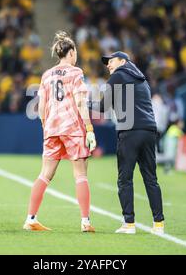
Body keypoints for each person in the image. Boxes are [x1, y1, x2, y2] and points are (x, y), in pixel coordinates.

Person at [23, 31, 97, 232]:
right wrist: (89, 129)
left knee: (45, 174)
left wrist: (46, 126)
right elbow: (81, 102)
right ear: (71, 52)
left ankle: (30, 218)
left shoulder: (46, 75)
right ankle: (85, 222)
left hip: (52, 128)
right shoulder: (76, 72)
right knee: (80, 174)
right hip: (72, 128)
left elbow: (40, 107)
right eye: (76, 52)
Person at [90, 51, 165, 235]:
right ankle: (159, 224)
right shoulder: (142, 79)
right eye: (106, 62)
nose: (108, 65)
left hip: (130, 131)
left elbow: (102, 107)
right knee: (151, 179)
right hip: (149, 130)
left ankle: (129, 224)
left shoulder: (118, 76)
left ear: (123, 61)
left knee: (125, 179)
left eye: (111, 61)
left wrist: (82, 103)